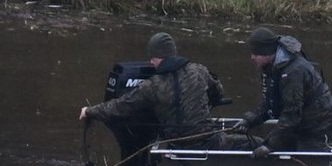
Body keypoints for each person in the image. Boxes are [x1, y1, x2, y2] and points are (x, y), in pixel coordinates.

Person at [78, 32, 227, 146]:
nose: (151, 62)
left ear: (160, 57)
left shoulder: (153, 85)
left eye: (152, 58)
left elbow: (120, 106)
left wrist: (90, 111)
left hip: (178, 143)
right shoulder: (199, 70)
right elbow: (218, 92)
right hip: (207, 138)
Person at [231, 26, 332, 156]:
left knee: (306, 161)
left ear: (267, 52)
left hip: (320, 127)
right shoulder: (271, 68)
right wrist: (250, 120)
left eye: (256, 54)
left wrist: (269, 146)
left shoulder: (293, 72)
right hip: (303, 124)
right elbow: (270, 103)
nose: (252, 57)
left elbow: (292, 114)